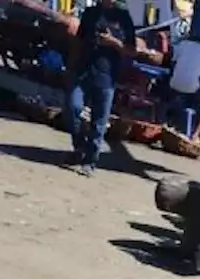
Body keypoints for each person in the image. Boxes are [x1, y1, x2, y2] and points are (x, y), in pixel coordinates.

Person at [64, 0, 136, 175]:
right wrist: (70, 66)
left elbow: (131, 50)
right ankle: (79, 147)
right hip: (83, 71)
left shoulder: (123, 17)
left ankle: (90, 161)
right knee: (73, 107)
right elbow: (79, 41)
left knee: (99, 121)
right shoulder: (90, 13)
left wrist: (113, 42)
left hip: (107, 75)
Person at [167, 35, 200, 132]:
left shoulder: (182, 44)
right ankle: (194, 135)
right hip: (191, 89)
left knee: (175, 97)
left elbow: (173, 63)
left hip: (174, 84)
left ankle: (170, 123)